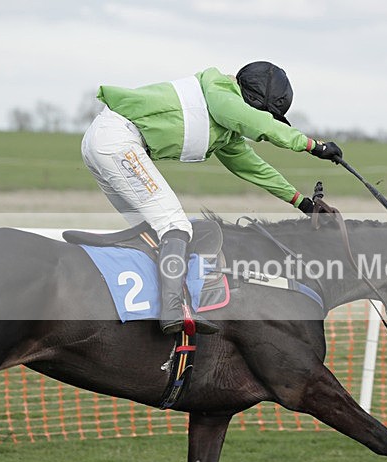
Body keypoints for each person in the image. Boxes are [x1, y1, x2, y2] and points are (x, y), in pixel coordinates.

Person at [81, 61, 343, 336]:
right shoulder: (220, 93)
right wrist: (313, 146)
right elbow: (258, 124)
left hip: (107, 142)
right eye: (264, 112)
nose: (263, 118)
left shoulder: (225, 129)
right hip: (117, 141)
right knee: (175, 225)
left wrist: (302, 202)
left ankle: (137, 303)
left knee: (152, 231)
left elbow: (254, 168)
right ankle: (174, 311)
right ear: (253, 101)